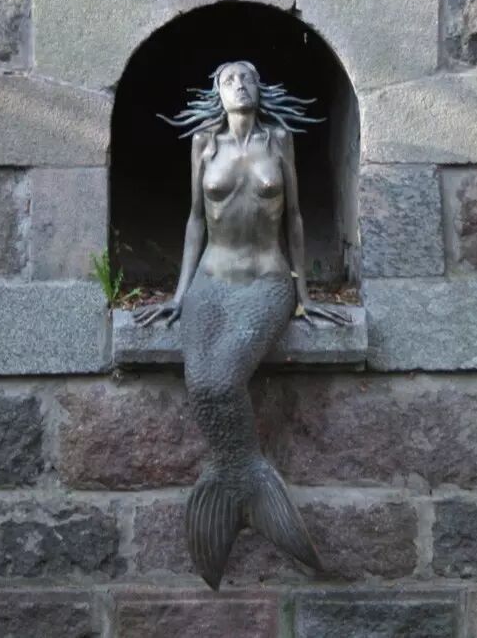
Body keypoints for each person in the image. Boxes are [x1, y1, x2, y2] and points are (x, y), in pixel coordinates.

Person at [136, 60, 349, 589]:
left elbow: (294, 217)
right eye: (229, 79)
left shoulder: (279, 141)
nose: (240, 84)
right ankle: (242, 480)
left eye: (248, 77)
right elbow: (194, 220)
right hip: (210, 280)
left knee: (223, 379)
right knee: (201, 380)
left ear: (260, 88)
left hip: (266, 281)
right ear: (217, 92)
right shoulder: (204, 144)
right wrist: (179, 294)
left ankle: (244, 477)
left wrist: (303, 293)